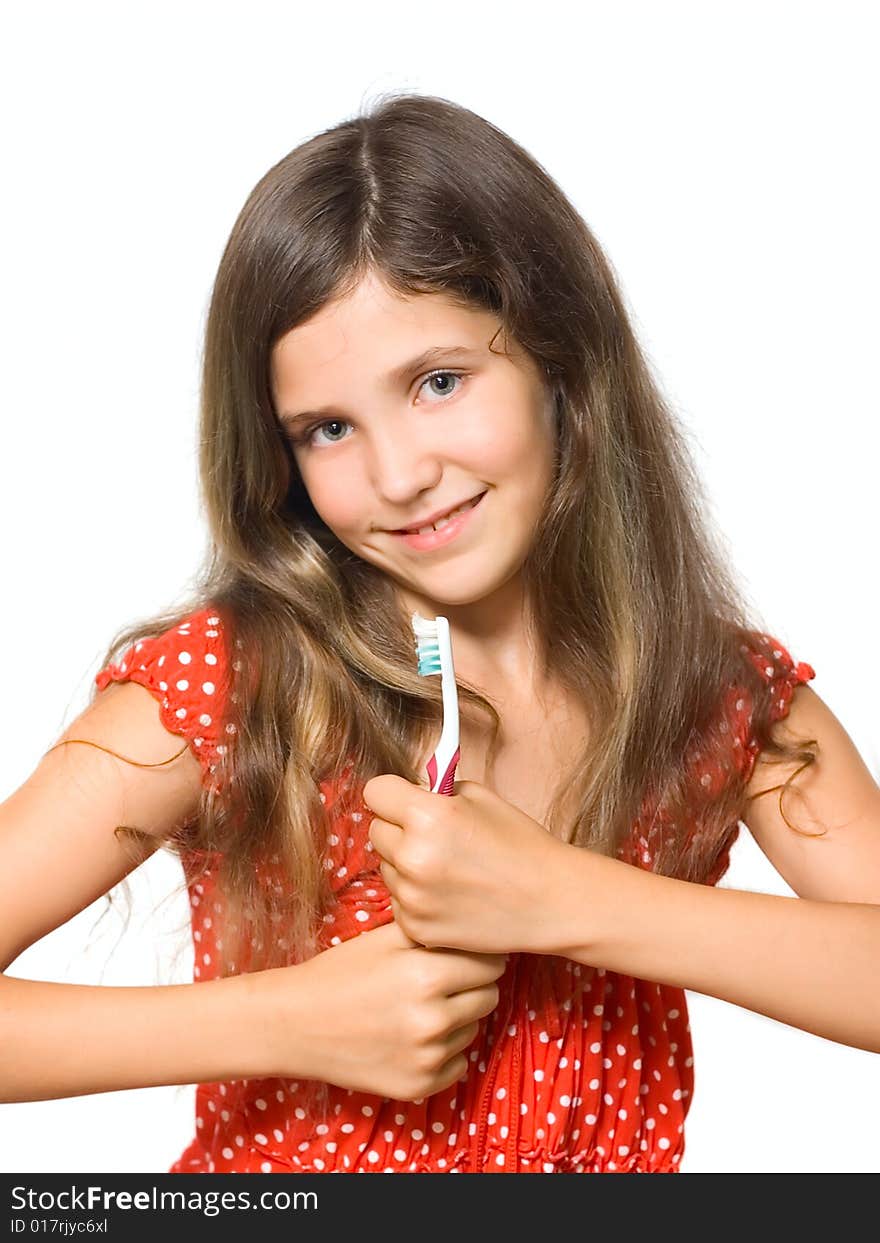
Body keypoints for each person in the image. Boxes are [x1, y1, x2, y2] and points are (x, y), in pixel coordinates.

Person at [1, 92, 878, 1176]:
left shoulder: (715, 695)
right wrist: (286, 1020)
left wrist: (569, 897)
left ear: (561, 362)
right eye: (328, 428)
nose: (399, 475)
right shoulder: (231, 687)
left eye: (439, 382)